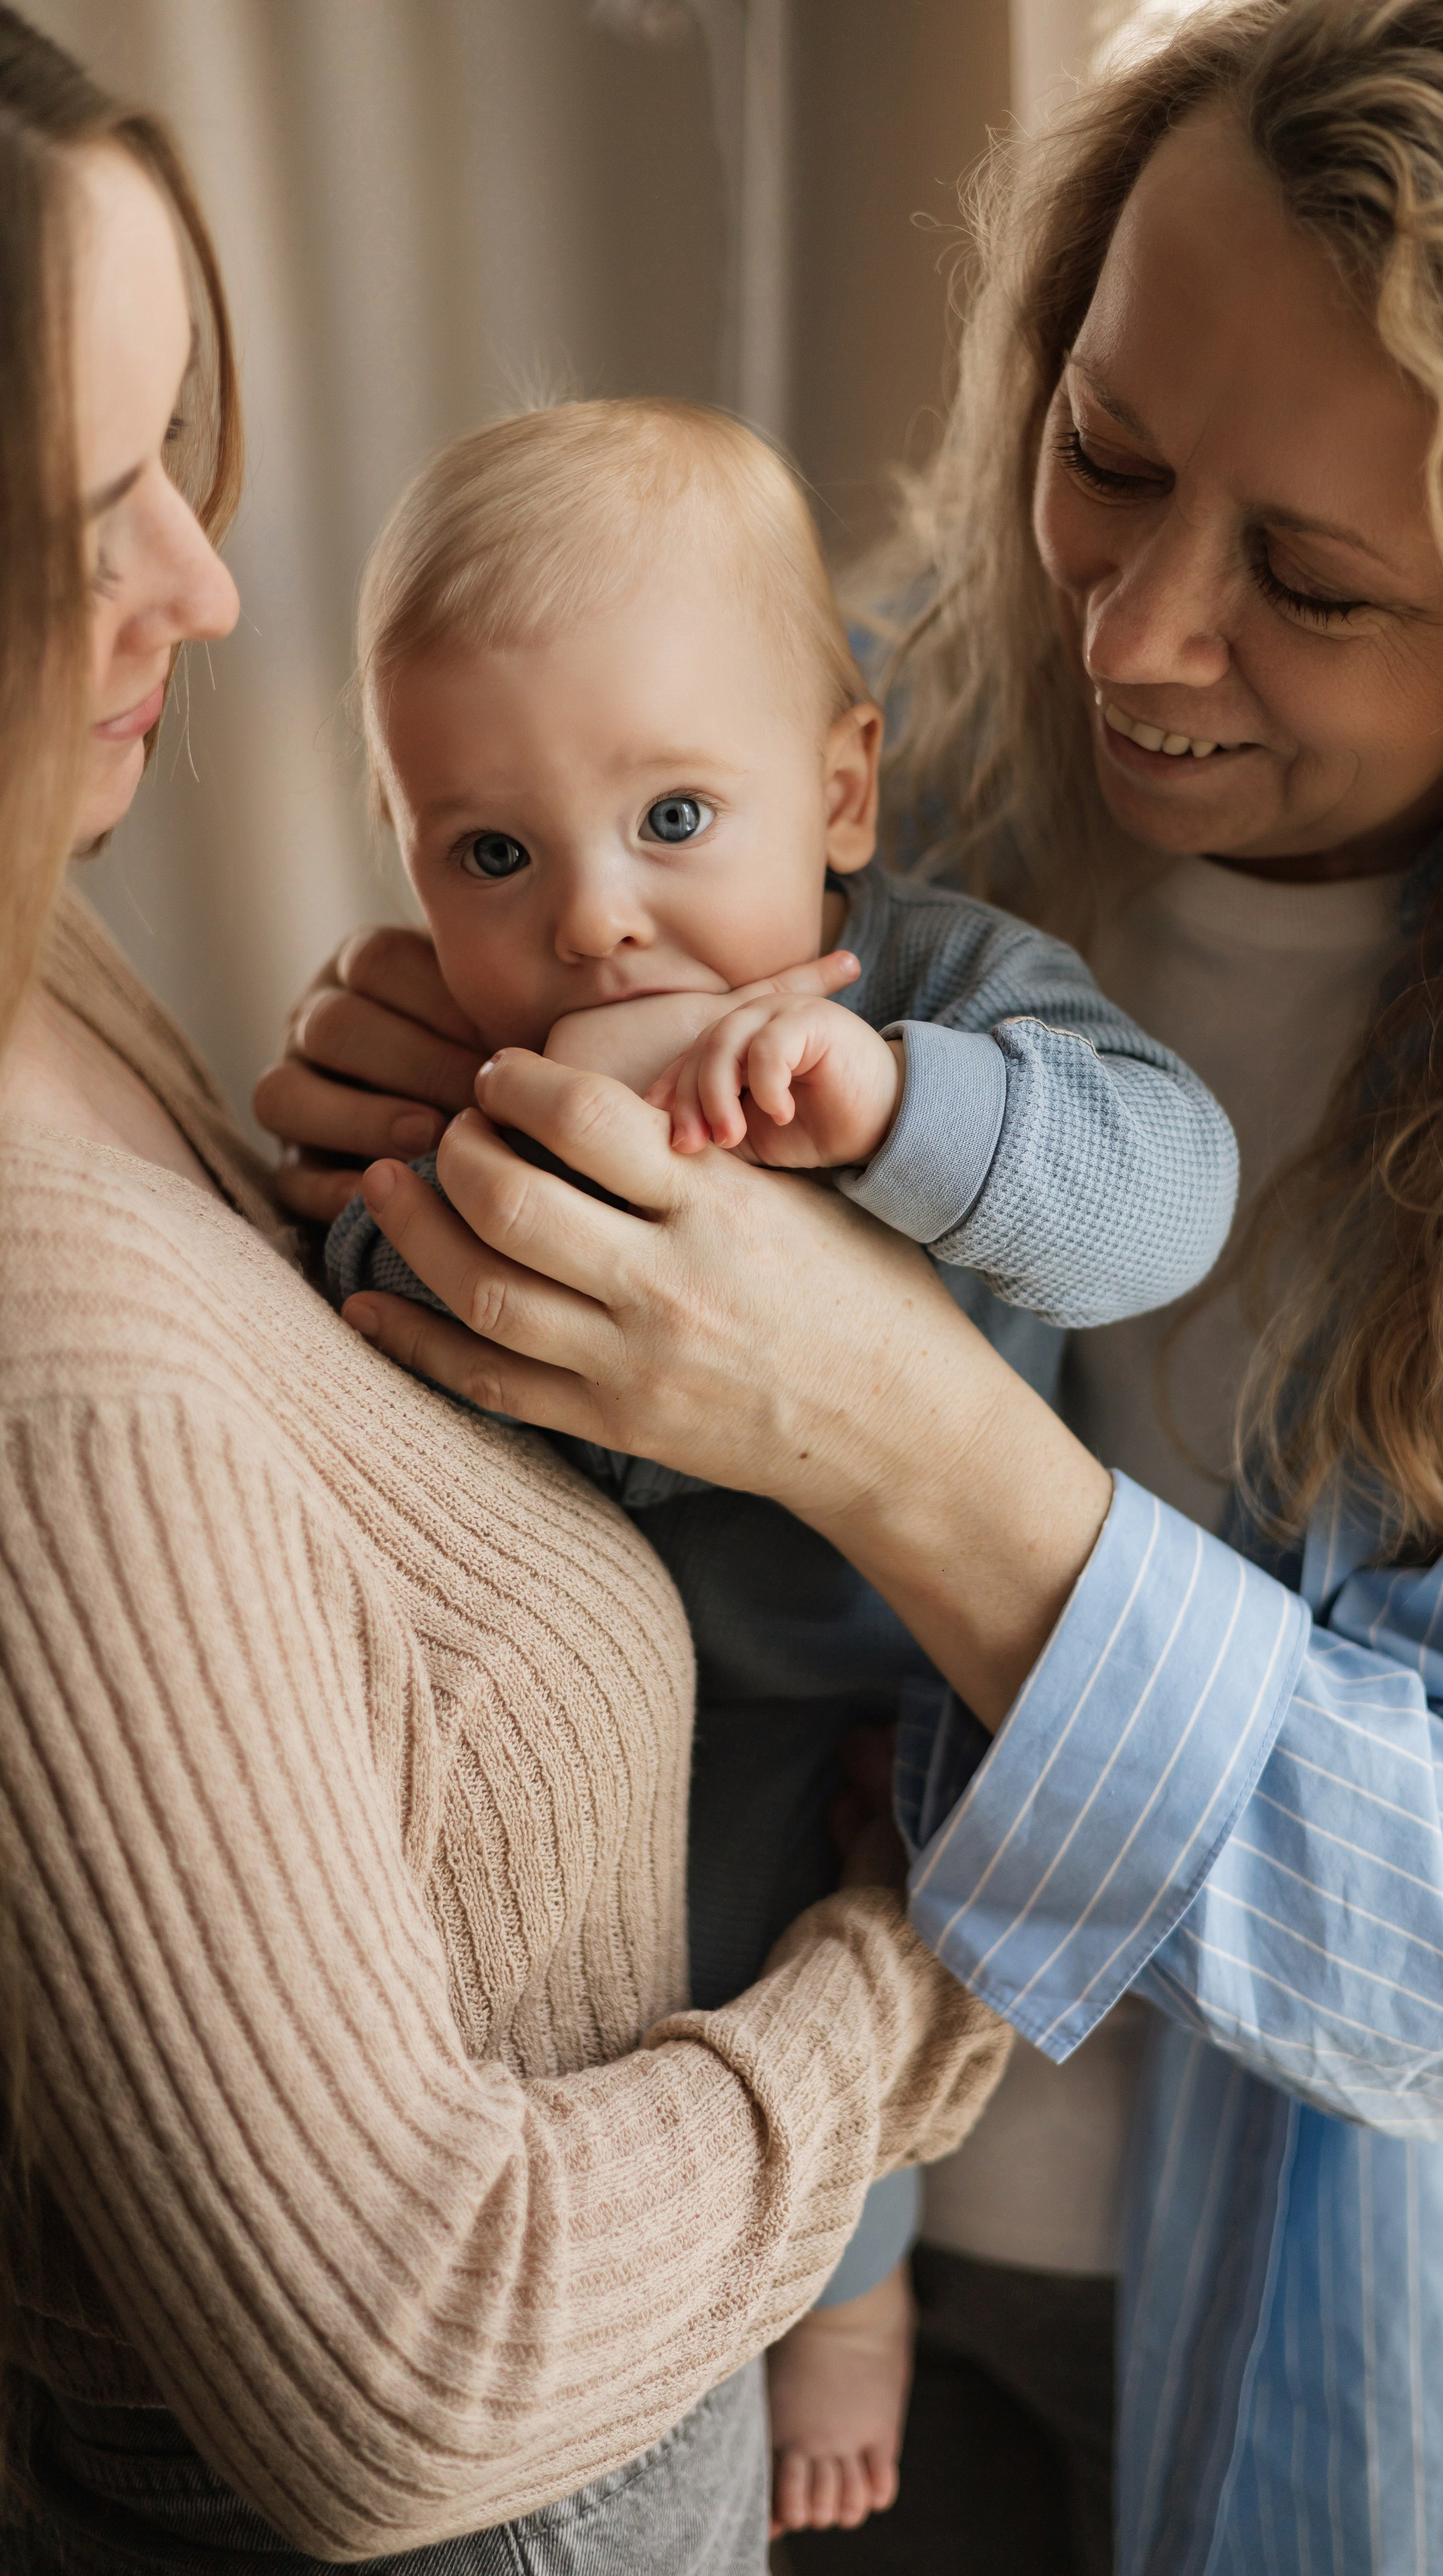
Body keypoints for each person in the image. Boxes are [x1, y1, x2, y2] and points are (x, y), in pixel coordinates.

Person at [264, 1, 1443, 2567]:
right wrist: (438, 1053)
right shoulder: (897, 736)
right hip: (804, 2269)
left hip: (1361, 2419)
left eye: (1314, 583)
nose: (1138, 637)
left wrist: (901, 1442)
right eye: (1109, 456)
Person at [0, 14, 1012, 2574]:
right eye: (86, 510)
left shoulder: (48, 960)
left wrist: (322, 1175)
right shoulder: (56, 1397)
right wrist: (932, 1975)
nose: (207, 582)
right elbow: (410, 2372)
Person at [323, 392, 1237, 2540]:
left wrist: (893, 1105)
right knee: (648, 1997)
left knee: (858, 1985)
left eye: (672, 814)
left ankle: (854, 2305)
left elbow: (1159, 1196)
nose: (595, 928)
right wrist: (398, 1209)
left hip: (912, 1658)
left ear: (838, 791)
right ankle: (689, 2323)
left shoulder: (925, 986)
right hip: (668, 1683)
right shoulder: (482, 1063)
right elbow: (374, 1320)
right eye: (492, 853)